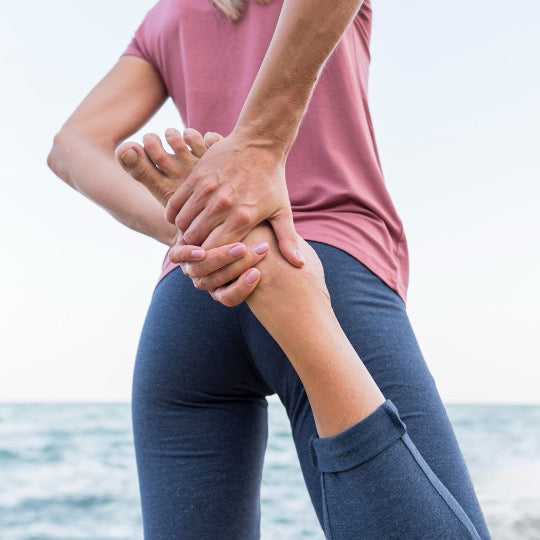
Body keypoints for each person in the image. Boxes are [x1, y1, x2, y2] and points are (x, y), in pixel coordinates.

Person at [47, 0, 491, 538]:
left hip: (193, 292)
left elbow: (71, 147)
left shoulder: (166, 17)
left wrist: (199, 229)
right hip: (323, 264)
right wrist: (259, 145)